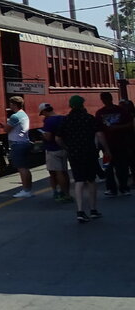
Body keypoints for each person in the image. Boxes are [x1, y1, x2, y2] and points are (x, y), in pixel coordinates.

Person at [59, 95, 110, 223]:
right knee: (91, 180)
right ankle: (93, 210)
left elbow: (58, 138)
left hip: (74, 154)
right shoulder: (89, 118)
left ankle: (80, 211)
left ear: (71, 105)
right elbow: (99, 134)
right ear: (82, 105)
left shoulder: (66, 120)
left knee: (79, 181)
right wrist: (106, 149)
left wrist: (67, 147)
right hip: (89, 152)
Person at [97, 91, 134, 196]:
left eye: (106, 99)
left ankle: (123, 187)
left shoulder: (121, 111)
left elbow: (130, 124)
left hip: (120, 143)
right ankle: (112, 188)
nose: (105, 101)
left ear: (110, 99)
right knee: (108, 167)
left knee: (121, 167)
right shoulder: (100, 113)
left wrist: (117, 127)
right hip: (107, 145)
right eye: (104, 99)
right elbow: (98, 129)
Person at [39, 102, 71, 203]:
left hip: (52, 149)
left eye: (42, 113)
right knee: (65, 172)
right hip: (63, 148)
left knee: (56, 173)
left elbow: (48, 137)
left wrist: (42, 135)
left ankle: (60, 193)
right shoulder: (63, 118)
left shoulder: (49, 121)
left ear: (44, 111)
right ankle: (67, 193)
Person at [6, 96, 34, 197]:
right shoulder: (24, 114)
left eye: (10, 103)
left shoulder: (15, 116)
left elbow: (6, 129)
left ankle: (26, 191)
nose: (9, 105)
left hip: (18, 144)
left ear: (14, 104)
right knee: (26, 168)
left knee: (22, 168)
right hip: (25, 142)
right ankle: (28, 189)